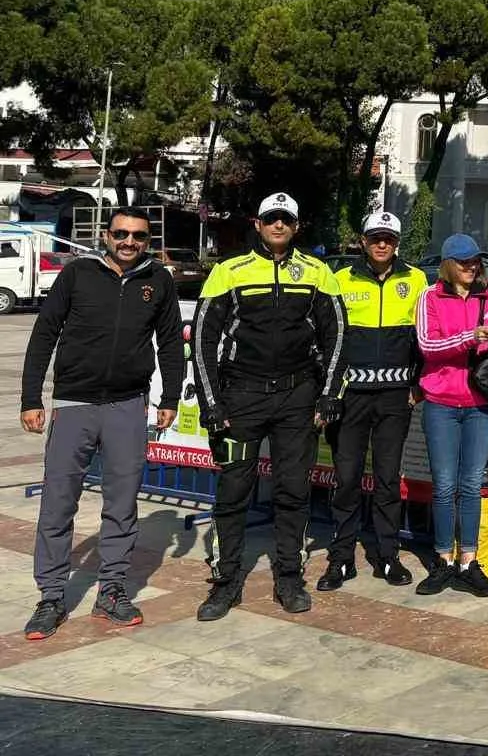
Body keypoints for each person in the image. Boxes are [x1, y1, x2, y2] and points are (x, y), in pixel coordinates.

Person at [20, 207, 184, 640]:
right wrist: (30, 397)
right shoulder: (78, 274)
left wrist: (170, 398)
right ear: (106, 235)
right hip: (74, 404)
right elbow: (45, 333)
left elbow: (170, 341)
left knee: (122, 505)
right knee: (57, 504)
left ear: (148, 240)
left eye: (139, 236)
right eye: (121, 233)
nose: (129, 241)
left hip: (128, 406)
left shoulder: (158, 280)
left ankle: (111, 590)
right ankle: (51, 597)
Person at [192, 193, 347, 622]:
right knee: (234, 488)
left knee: (293, 490)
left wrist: (329, 393)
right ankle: (226, 581)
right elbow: (203, 338)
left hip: (297, 398)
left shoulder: (318, 272)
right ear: (257, 224)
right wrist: (211, 401)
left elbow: (337, 336)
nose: (278, 225)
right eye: (271, 219)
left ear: (297, 227)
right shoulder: (228, 271)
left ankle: (289, 576)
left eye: (286, 220)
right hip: (241, 397)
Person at [320, 210, 429, 591]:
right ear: (363, 241)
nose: (383, 244)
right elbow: (328, 340)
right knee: (347, 479)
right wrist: (329, 391)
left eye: (389, 239)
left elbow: (423, 338)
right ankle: (342, 558)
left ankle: (387, 557)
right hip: (351, 397)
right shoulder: (340, 279)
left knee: (387, 480)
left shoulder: (416, 278)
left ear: (397, 243)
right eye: (375, 238)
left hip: (396, 398)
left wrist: (419, 383)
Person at [413, 233, 488, 597]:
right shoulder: (429, 296)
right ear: (447, 264)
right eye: (464, 262)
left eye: (475, 260)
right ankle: (443, 559)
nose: (472, 267)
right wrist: (470, 337)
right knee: (444, 484)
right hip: (441, 403)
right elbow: (428, 346)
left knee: (471, 484)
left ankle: (468, 561)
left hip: (480, 403)